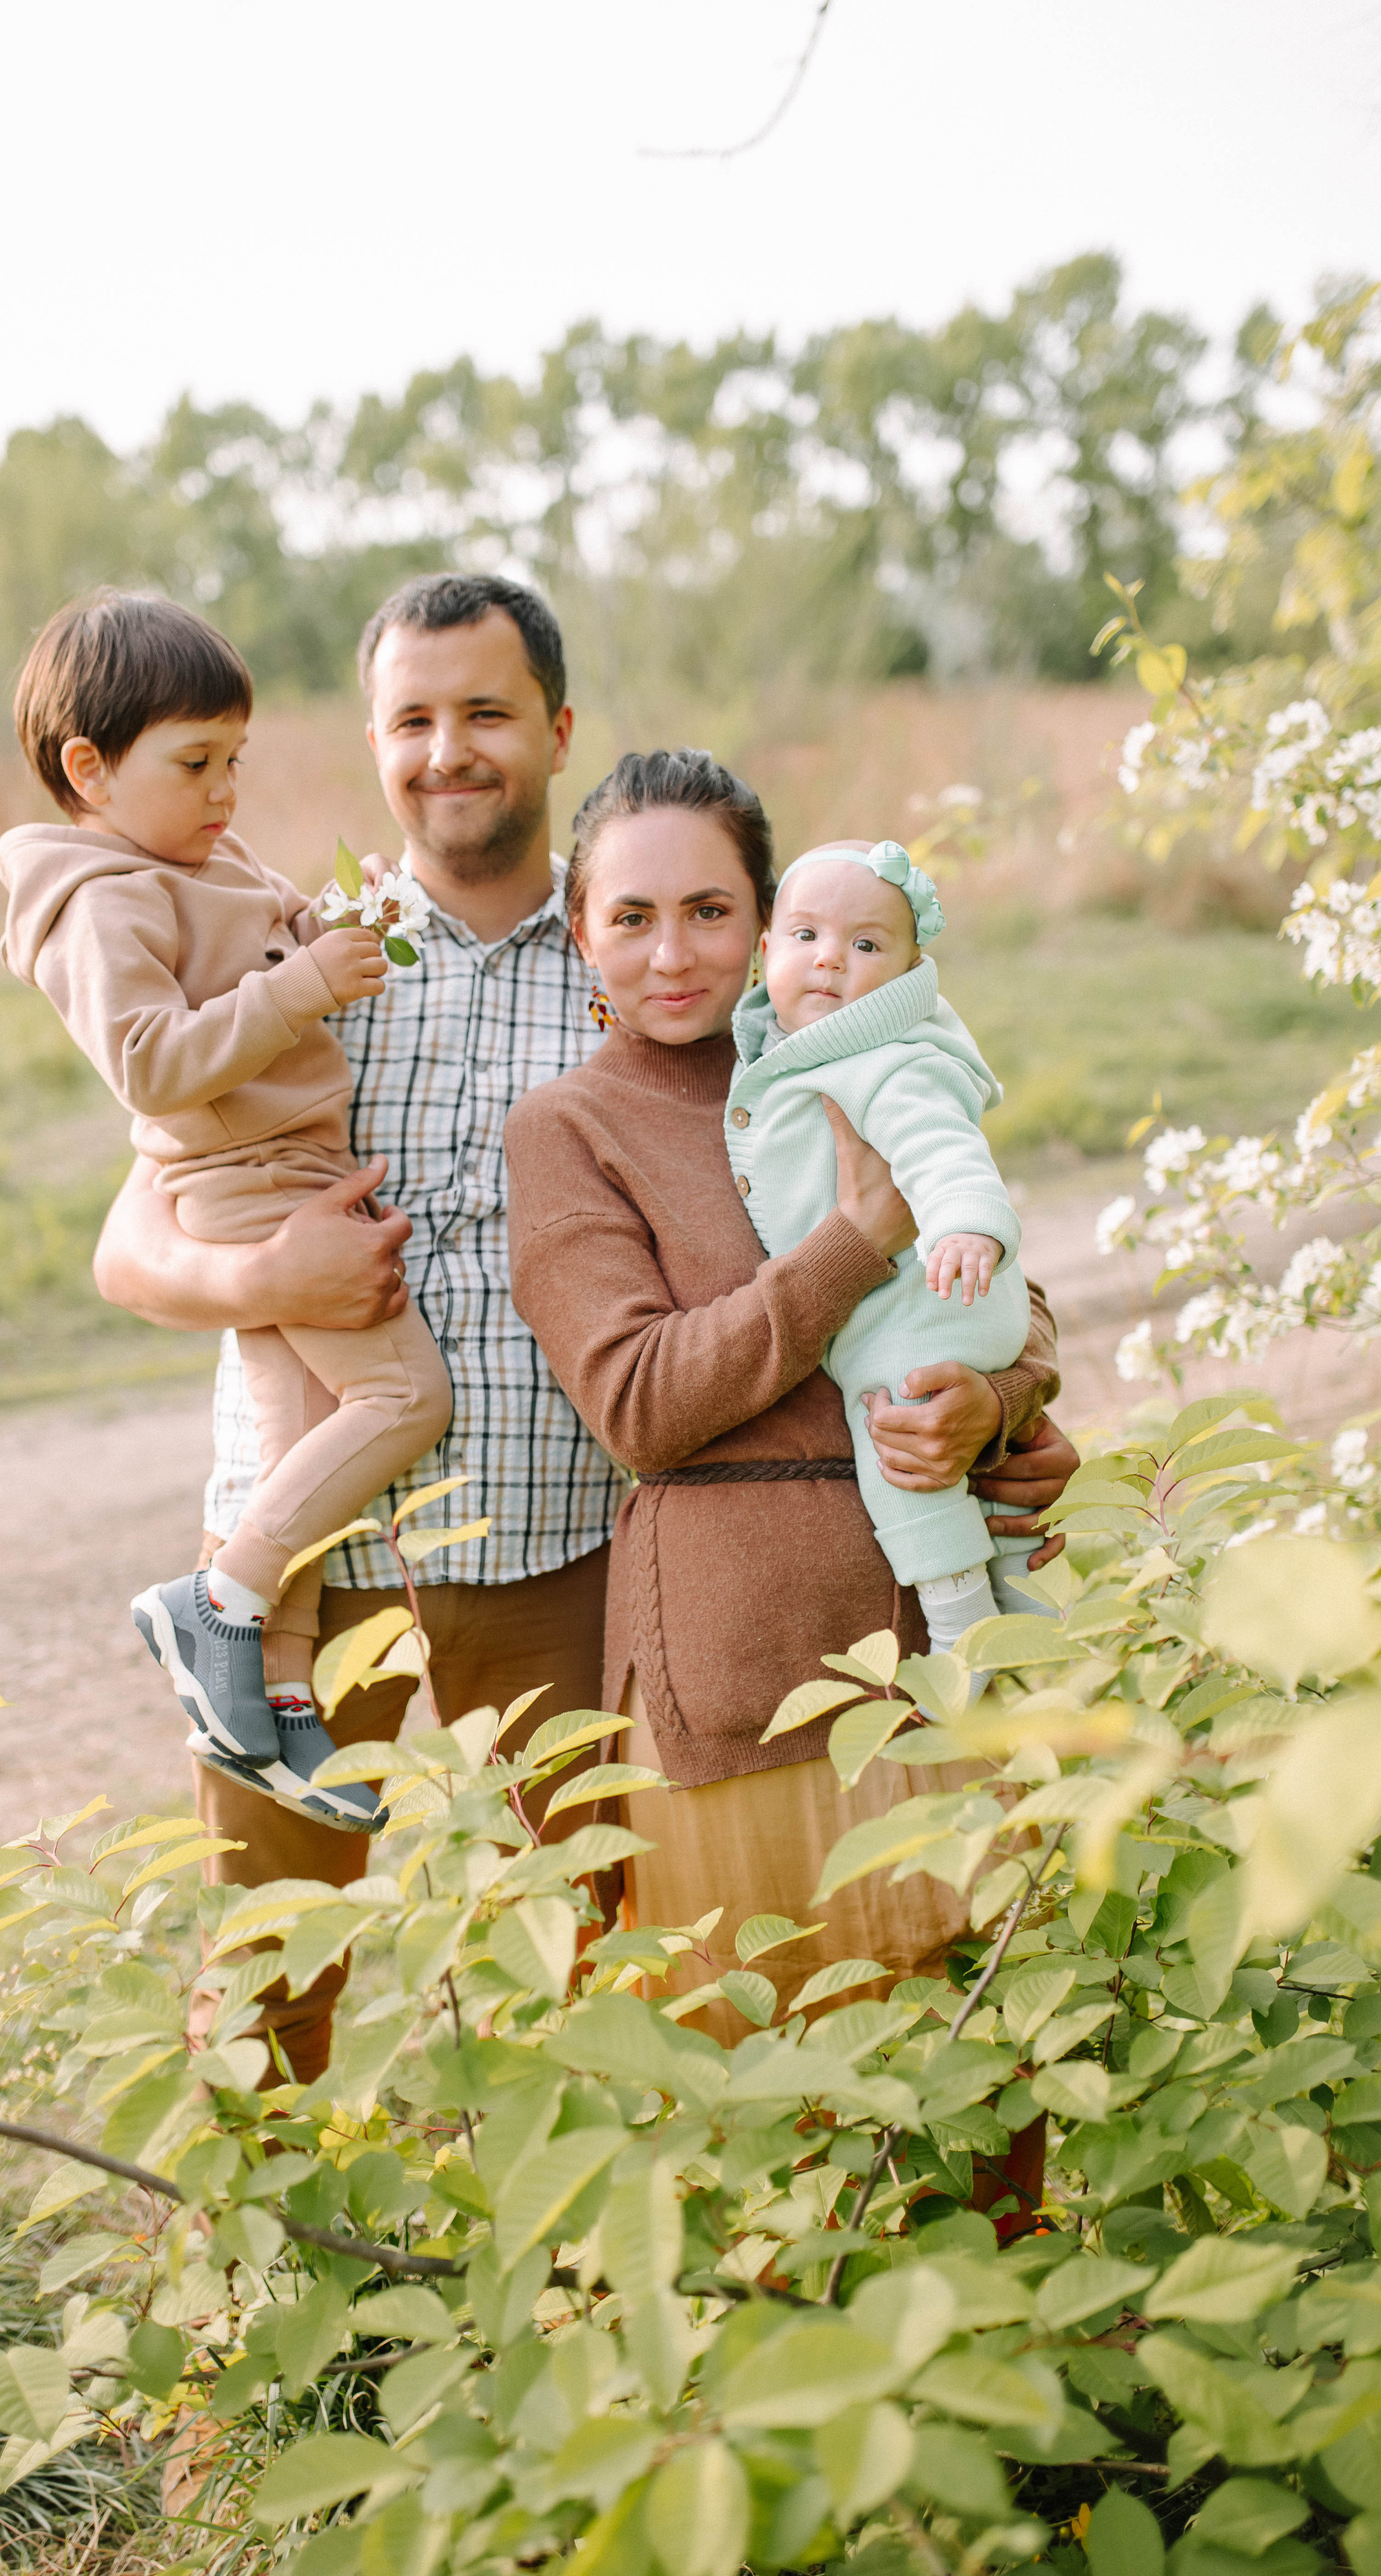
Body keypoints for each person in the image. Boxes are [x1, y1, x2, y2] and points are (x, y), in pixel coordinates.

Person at [90, 573, 622, 2079]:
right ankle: (268, 2300)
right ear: (376, 740)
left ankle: (603, 2274)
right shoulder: (304, 954)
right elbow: (130, 1244)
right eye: (411, 719)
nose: (446, 751)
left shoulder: (629, 951)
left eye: (484, 714)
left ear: (557, 729)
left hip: (549, 1543)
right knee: (267, 1985)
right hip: (296, 1582)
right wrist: (264, 1286)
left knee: (598, 1937)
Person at [502, 749, 1076, 2048]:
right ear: (580, 935)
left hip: (931, 1640)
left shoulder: (865, 1057)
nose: (672, 955)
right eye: (631, 919)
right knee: (778, 2084)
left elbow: (1000, 1291)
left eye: (710, 911)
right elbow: (637, 1402)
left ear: (767, 922)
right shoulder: (572, 1129)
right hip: (736, 1663)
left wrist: (997, 1402)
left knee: (989, 2071)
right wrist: (851, 1241)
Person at [0, 590, 450, 1826]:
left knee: (297, 1437)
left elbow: (274, 931)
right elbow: (148, 1062)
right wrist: (302, 986)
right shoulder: (101, 902)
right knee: (405, 1398)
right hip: (249, 1180)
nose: (225, 790)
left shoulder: (205, 859)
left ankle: (280, 1708)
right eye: (196, 763)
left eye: (235, 761)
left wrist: (328, 930)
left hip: (284, 1167)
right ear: (88, 769)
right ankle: (216, 1601)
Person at [730, 836, 1038, 1676]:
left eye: (865, 946)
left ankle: (960, 1624)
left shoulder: (889, 1062)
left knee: (895, 1440)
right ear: (766, 951)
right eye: (805, 938)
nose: (831, 960)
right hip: (915, 1291)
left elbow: (941, 1147)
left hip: (928, 1299)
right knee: (969, 1482)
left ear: (906, 972)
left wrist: (965, 1224)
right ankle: (1036, 1620)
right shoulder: (787, 1048)